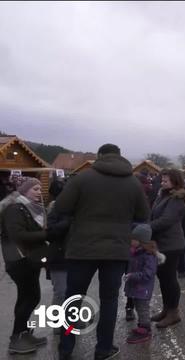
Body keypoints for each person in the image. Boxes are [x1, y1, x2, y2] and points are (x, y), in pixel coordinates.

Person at [56, 144, 150, 360]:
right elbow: (144, 213)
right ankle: (103, 349)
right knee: (109, 301)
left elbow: (61, 207)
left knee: (73, 299)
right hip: (115, 251)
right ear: (119, 156)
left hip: (82, 249)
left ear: (99, 156)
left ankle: (66, 347)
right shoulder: (133, 183)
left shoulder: (82, 178)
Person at [0, 177, 48, 355]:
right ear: (25, 190)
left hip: (29, 260)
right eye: (34, 189)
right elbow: (18, 235)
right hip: (18, 260)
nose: (38, 192)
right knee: (30, 298)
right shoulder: (15, 208)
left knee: (28, 297)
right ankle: (18, 338)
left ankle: (24, 334)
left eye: (39, 189)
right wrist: (46, 234)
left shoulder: (28, 208)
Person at [150, 169, 185, 329]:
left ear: (175, 182)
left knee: (169, 279)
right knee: (162, 278)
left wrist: (146, 227)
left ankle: (174, 313)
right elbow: (153, 214)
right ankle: (166, 309)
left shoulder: (177, 199)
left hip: (172, 244)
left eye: (166, 181)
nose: (162, 183)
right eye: (162, 180)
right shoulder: (163, 195)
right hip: (161, 243)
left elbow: (166, 220)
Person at [124, 224, 157, 344]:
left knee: (143, 308)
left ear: (141, 241)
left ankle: (145, 329)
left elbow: (148, 274)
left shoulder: (148, 256)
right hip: (137, 287)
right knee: (138, 306)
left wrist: (132, 276)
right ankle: (141, 326)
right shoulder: (136, 252)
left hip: (143, 288)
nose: (130, 241)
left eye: (133, 239)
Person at [45, 178, 71, 332]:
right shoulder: (54, 208)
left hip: (75, 255)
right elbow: (50, 233)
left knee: (74, 291)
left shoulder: (76, 208)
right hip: (58, 256)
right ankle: (57, 323)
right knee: (61, 291)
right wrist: (68, 222)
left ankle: (71, 319)